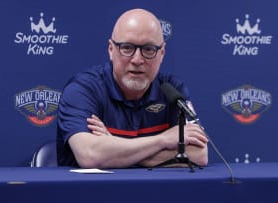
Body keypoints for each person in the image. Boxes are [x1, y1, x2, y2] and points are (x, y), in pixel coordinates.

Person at [57, 8, 208, 169]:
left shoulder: (172, 90)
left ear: (162, 53)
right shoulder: (83, 90)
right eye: (127, 48)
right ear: (111, 49)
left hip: (158, 192)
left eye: (149, 49)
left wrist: (113, 147)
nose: (137, 59)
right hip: (92, 192)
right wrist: (162, 140)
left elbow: (199, 154)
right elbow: (91, 156)